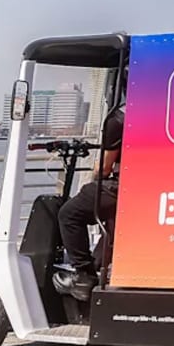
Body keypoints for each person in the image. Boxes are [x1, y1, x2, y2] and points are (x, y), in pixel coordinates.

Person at [52, 100, 124, 301]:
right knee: (110, 221)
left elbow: (104, 168)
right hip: (145, 187)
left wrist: (93, 176)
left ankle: (84, 276)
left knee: (69, 213)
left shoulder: (118, 119)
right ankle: (100, 266)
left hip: (121, 187)